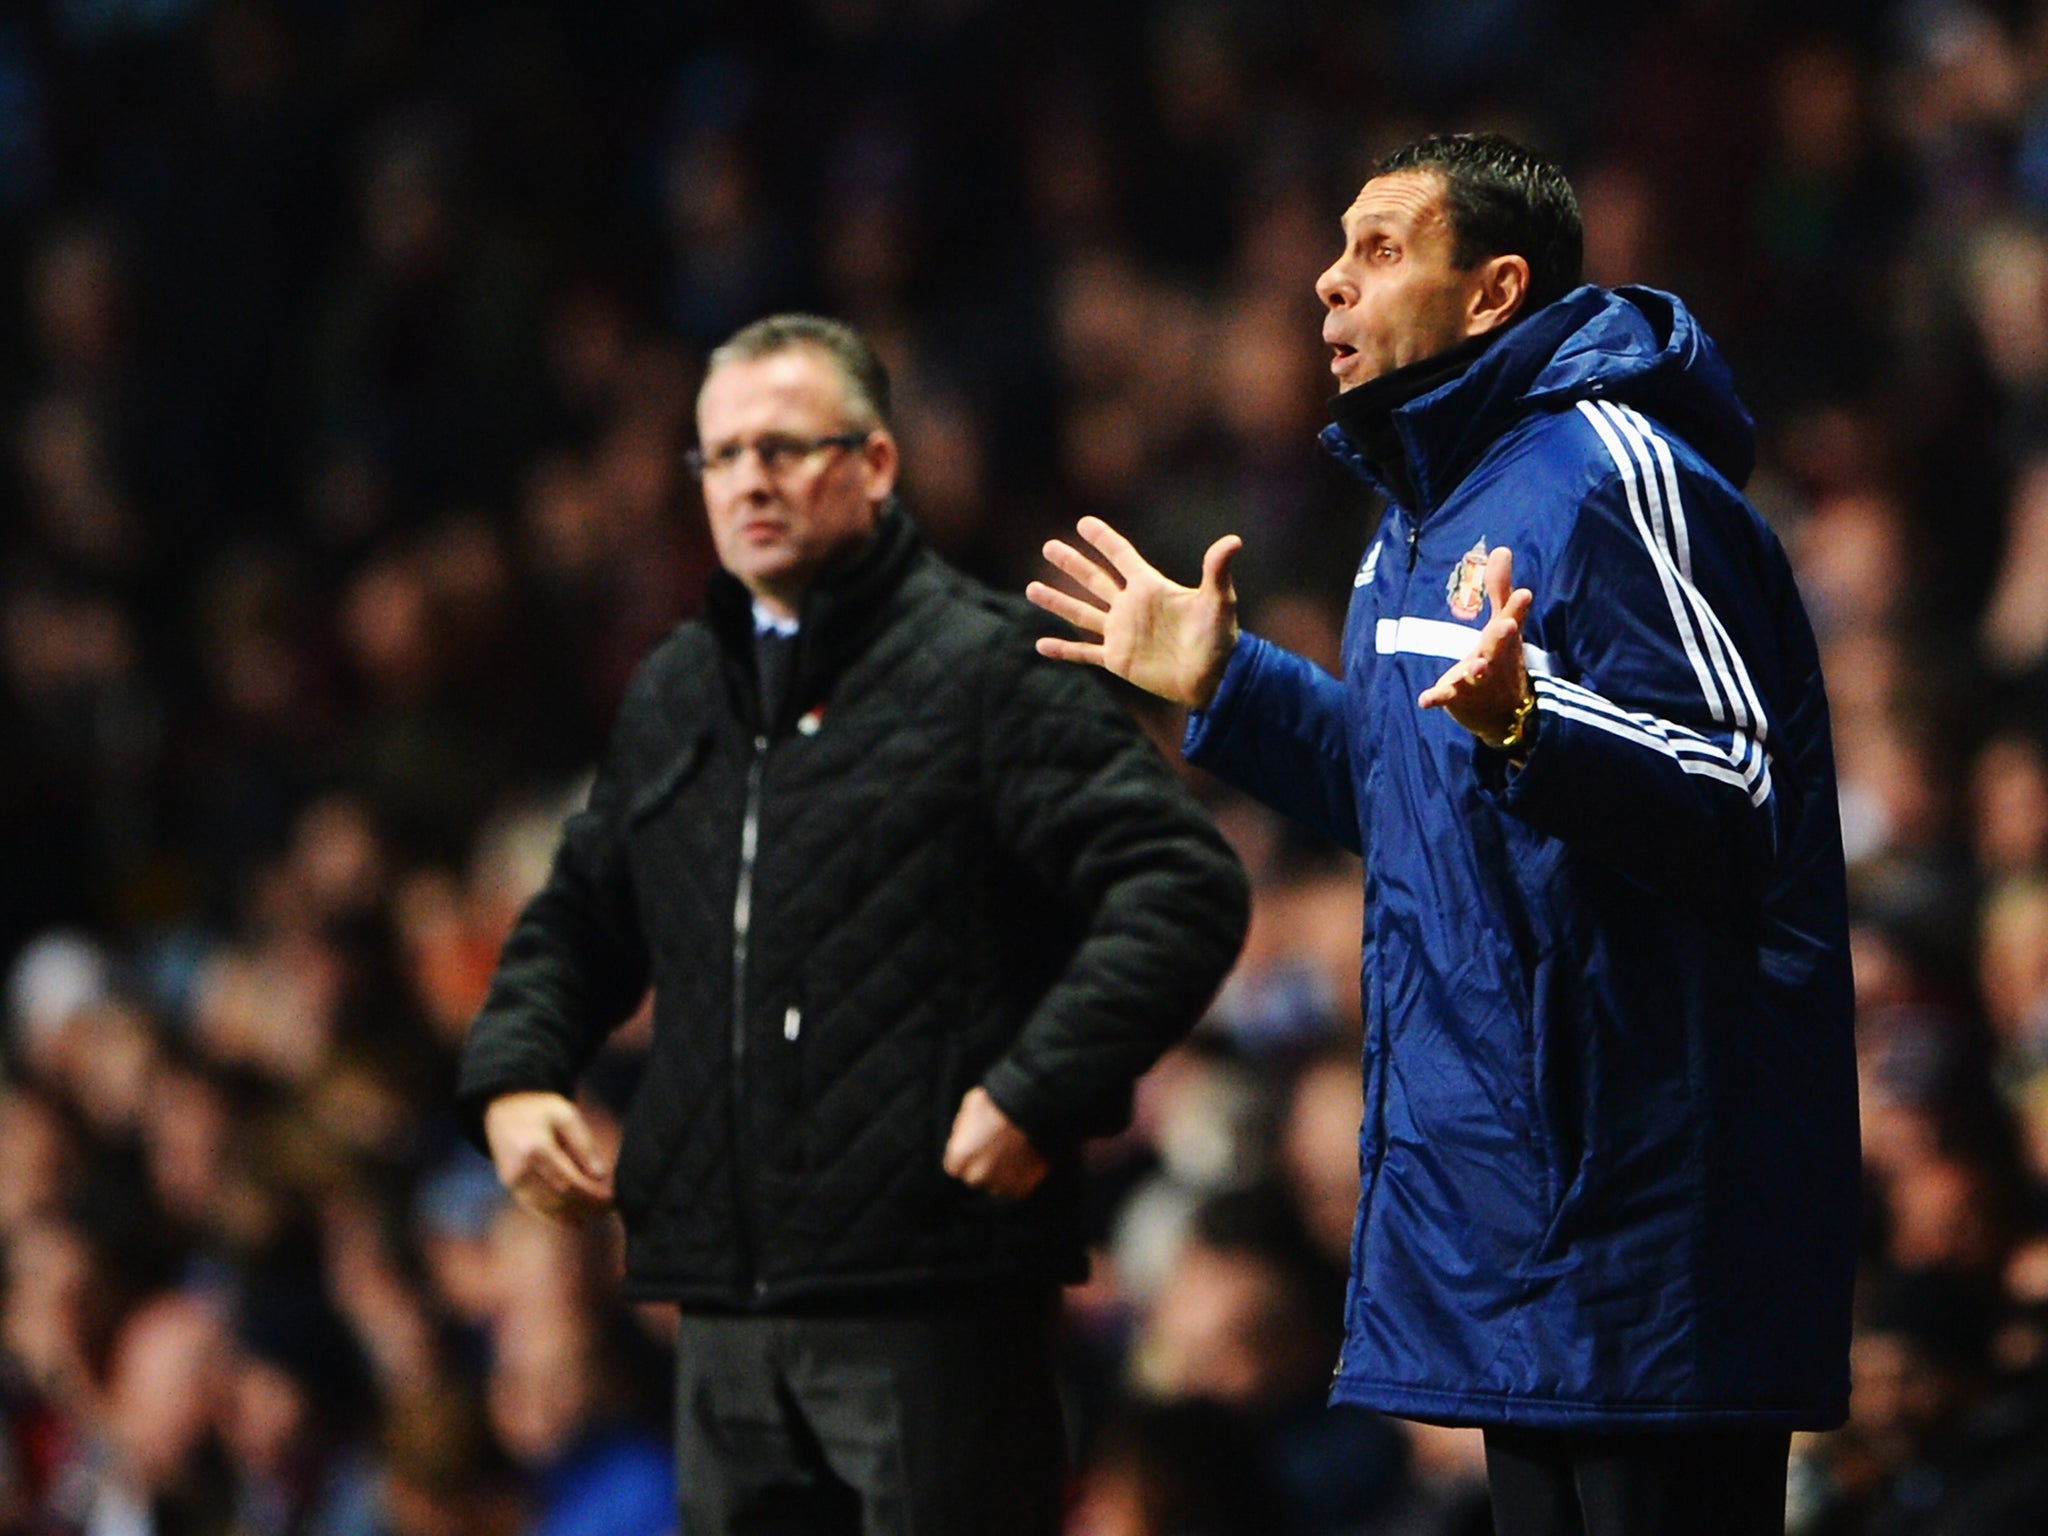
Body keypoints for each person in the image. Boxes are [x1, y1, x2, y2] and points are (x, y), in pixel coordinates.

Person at [1028, 133, 1858, 1536]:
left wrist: (1542, 725)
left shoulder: (1616, 472)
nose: (1327, 284)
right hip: (1513, 1226)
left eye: (1379, 249)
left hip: (1653, 1232)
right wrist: (1232, 687)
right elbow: (1417, 807)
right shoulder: (1417, 519)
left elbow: (1741, 795)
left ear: (1496, 291)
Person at [456, 313, 1250, 1535]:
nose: (749, 481)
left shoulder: (987, 671)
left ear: (875, 466)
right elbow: (576, 914)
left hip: (934, 1303)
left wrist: (1038, 1090)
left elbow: (1181, 882)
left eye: (785, 447)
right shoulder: (677, 691)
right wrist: (515, 1074)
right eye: (720, 457)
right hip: (724, 1320)